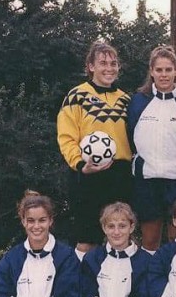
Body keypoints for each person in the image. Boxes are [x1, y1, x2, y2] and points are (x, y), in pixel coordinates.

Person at [57, 41, 132, 257]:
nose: (109, 68)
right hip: (88, 176)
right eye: (103, 63)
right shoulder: (76, 96)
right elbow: (66, 137)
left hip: (120, 174)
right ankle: (81, 288)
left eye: (113, 63)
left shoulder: (127, 100)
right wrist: (81, 165)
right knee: (87, 238)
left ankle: (116, 287)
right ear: (90, 66)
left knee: (119, 237)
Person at [127, 46, 176, 253]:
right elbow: (132, 137)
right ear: (151, 71)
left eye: (168, 69)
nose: (164, 74)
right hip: (147, 181)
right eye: (159, 70)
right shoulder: (137, 102)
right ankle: (151, 283)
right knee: (150, 240)